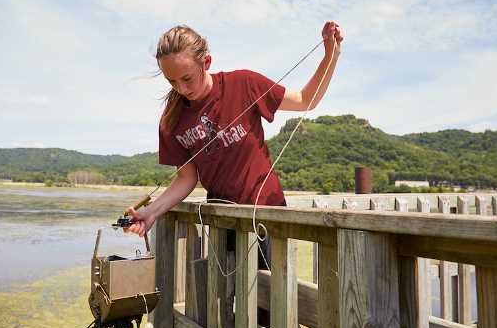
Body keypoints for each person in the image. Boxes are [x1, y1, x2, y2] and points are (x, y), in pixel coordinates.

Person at [125, 20, 343, 241]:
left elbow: (305, 100)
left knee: (270, 266)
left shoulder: (244, 84)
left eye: (187, 78)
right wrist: (150, 213)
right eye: (172, 81)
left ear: (206, 62)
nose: (181, 88)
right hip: (223, 221)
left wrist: (330, 56)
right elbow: (186, 178)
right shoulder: (172, 119)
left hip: (268, 215)